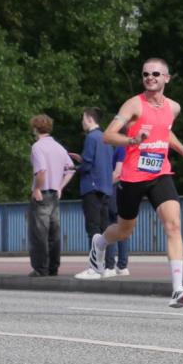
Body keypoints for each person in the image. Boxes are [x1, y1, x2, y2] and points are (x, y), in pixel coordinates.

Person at [78, 58, 183, 309]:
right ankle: (99, 243)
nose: (150, 78)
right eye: (145, 74)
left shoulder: (174, 107)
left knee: (174, 225)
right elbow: (108, 136)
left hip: (160, 174)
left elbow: (165, 131)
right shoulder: (134, 104)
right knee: (124, 230)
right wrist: (134, 140)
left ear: (166, 78)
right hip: (133, 177)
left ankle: (178, 289)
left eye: (155, 74)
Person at [28, 114, 74, 277]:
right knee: (54, 233)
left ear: (35, 128)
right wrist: (60, 187)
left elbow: (41, 171)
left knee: (39, 233)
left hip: (43, 194)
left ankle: (41, 268)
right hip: (55, 194)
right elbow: (70, 169)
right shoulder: (59, 147)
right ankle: (54, 267)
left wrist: (37, 189)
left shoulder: (37, 147)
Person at [73, 107, 116, 280]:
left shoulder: (91, 137)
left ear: (90, 118)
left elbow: (88, 164)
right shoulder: (106, 138)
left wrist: (76, 167)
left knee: (93, 227)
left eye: (83, 118)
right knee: (105, 228)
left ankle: (94, 267)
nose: (82, 121)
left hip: (91, 187)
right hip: (106, 187)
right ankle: (107, 265)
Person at [104, 144, 130, 277]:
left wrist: (105, 186)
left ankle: (109, 266)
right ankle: (123, 265)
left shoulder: (122, 148)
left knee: (111, 225)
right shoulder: (137, 149)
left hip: (116, 189)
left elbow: (117, 172)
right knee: (123, 227)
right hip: (129, 190)